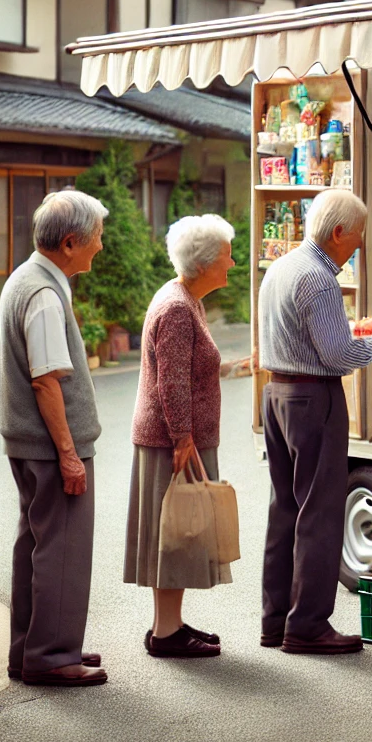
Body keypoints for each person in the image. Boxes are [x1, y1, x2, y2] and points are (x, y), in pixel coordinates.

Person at [257, 189, 372, 654]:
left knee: (285, 509)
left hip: (276, 394)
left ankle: (276, 621)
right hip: (311, 398)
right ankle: (308, 626)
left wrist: (356, 330)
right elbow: (338, 357)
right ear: (338, 232)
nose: (359, 244)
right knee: (319, 514)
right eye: (357, 235)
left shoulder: (281, 267)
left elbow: (307, 337)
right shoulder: (319, 279)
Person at [0, 189, 109, 687]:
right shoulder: (43, 294)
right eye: (96, 237)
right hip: (49, 447)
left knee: (35, 547)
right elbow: (46, 382)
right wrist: (69, 454)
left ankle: (30, 649)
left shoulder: (25, 280)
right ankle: (51, 655)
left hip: (27, 443)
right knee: (62, 552)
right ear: (69, 243)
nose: (100, 246)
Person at [125, 214, 238, 658]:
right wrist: (183, 439)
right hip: (170, 441)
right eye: (227, 255)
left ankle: (166, 625)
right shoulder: (177, 307)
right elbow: (170, 383)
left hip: (175, 437)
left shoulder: (186, 299)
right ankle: (167, 633)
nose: (232, 263)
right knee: (175, 533)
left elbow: (189, 370)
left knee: (174, 531)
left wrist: (238, 366)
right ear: (205, 263)